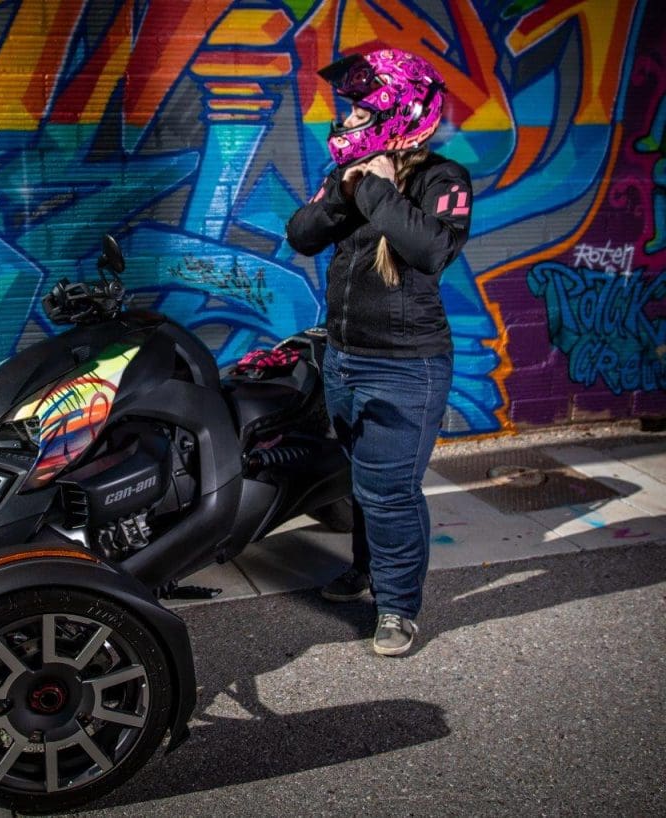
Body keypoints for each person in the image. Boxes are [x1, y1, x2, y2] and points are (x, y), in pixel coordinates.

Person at [286, 48, 472, 656]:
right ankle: (368, 572)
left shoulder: (441, 179)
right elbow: (302, 235)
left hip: (406, 366)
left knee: (390, 491)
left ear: (400, 108)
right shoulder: (354, 175)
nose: (351, 118)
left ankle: (397, 608)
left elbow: (431, 250)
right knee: (363, 482)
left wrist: (378, 191)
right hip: (343, 357)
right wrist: (347, 191)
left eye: (365, 106)